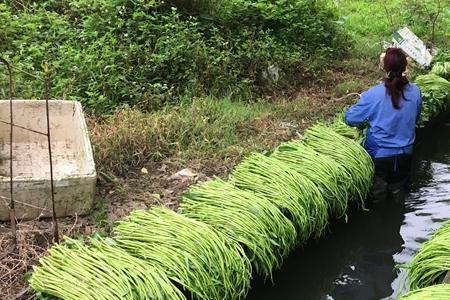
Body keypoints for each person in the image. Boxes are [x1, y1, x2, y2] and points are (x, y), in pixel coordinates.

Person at [345, 48, 422, 207]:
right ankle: (395, 220)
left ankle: (378, 224)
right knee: (398, 192)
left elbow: (350, 119)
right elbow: (416, 117)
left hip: (379, 155)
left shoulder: (374, 94)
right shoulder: (415, 92)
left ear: (384, 67)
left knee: (377, 196)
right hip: (405, 154)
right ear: (405, 66)